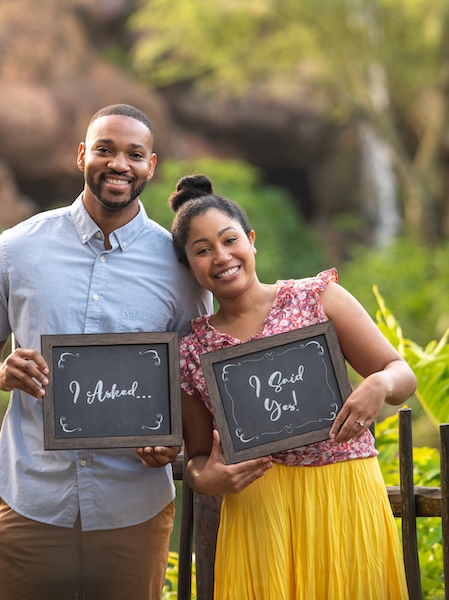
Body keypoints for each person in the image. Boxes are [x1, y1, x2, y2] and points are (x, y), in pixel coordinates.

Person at [0, 104, 212, 600]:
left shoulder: (182, 269)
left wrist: (174, 437)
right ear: (81, 156)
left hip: (133, 508)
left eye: (134, 154)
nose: (119, 164)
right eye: (105, 149)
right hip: (32, 503)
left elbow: (195, 383)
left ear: (150, 167)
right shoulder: (14, 250)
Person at [169, 174, 416, 600]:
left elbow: (401, 374)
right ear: (189, 266)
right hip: (258, 511)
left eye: (230, 241)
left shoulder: (317, 299)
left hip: (342, 496)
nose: (221, 257)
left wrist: (379, 384)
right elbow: (195, 461)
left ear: (251, 240)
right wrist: (208, 479)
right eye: (202, 250)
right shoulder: (193, 351)